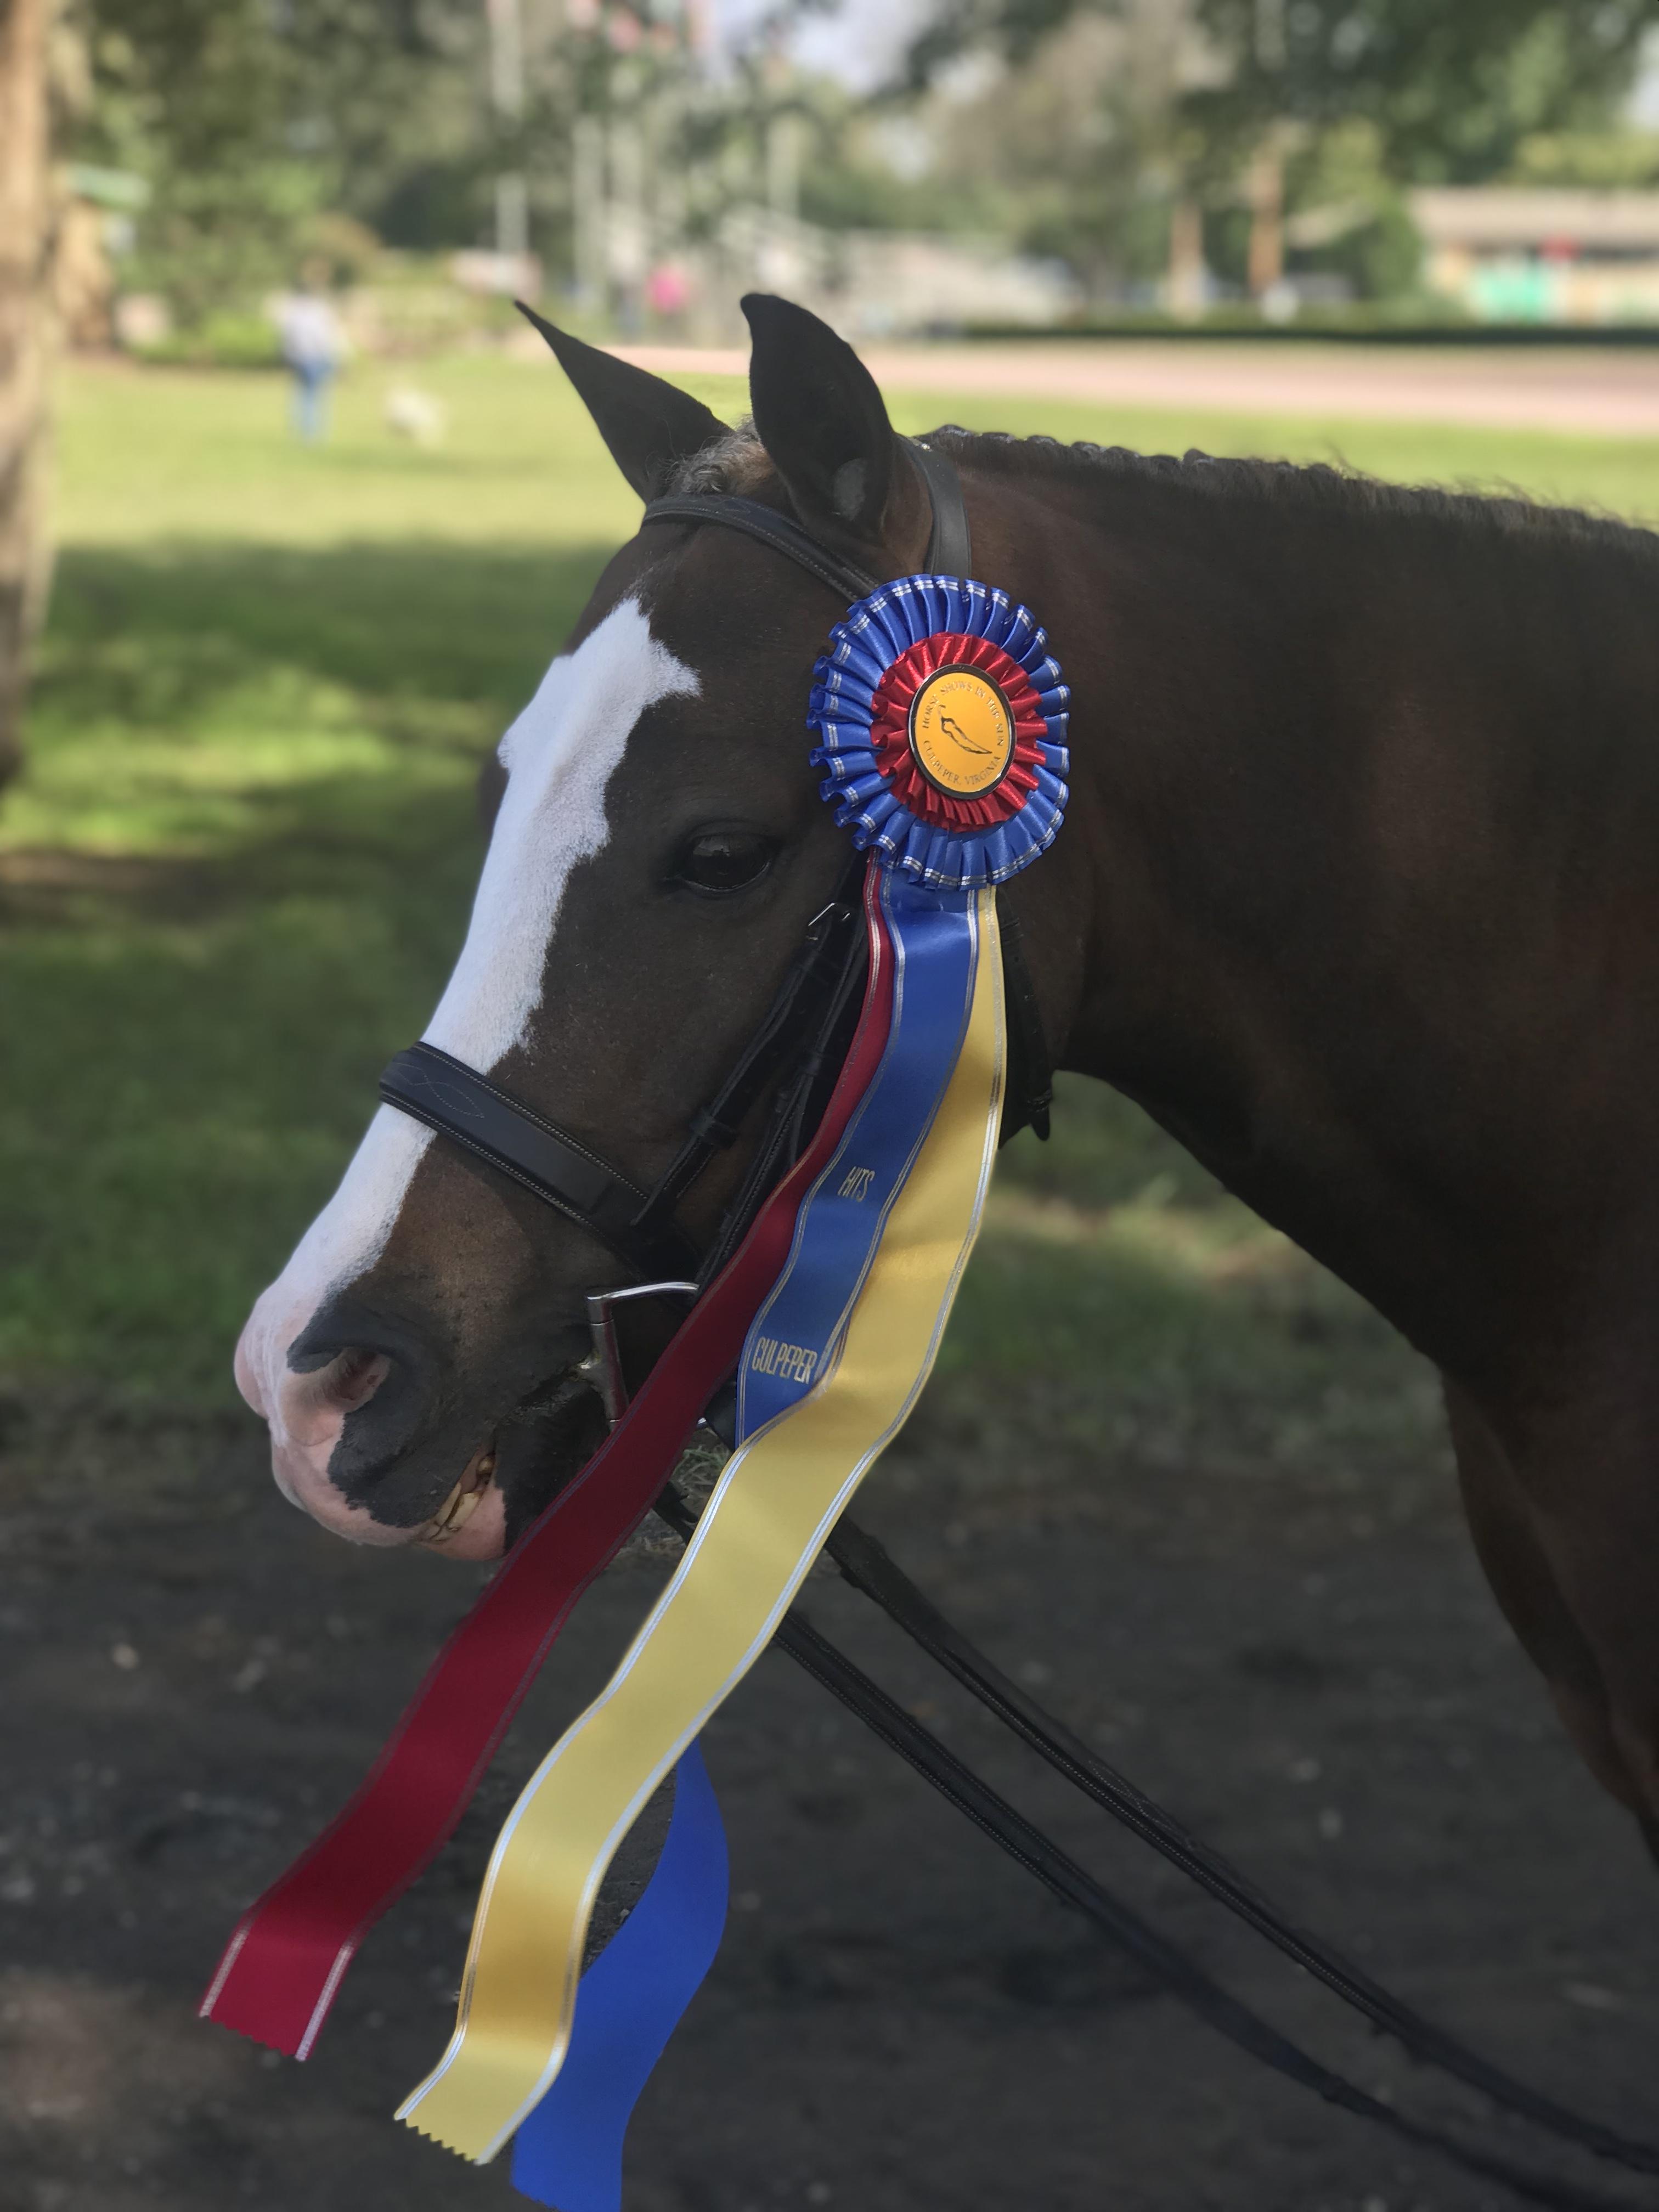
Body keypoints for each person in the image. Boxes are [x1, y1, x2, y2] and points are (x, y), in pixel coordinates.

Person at [275, 263, 344, 443]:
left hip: (298, 358)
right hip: (316, 358)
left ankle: (301, 431)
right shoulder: (318, 310)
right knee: (315, 397)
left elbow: (287, 336)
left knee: (301, 396)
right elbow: (324, 337)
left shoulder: (294, 311)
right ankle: (312, 435)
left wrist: (288, 355)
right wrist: (335, 358)